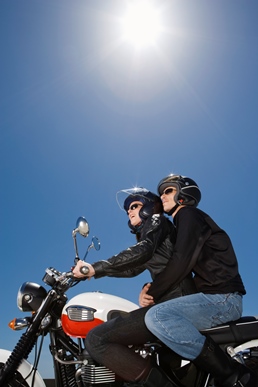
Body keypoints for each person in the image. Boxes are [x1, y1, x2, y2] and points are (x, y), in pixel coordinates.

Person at [73, 188, 196, 386]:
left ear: (149, 207)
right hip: (170, 301)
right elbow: (132, 268)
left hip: (176, 302)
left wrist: (93, 268)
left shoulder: (157, 221)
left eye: (135, 206)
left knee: (96, 338)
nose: (129, 212)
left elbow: (142, 251)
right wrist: (96, 272)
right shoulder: (152, 234)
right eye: (128, 209)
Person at [143, 174, 256, 387]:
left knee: (157, 316)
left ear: (184, 194)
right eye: (161, 193)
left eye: (168, 191)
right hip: (216, 297)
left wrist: (152, 293)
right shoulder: (185, 221)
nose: (162, 197)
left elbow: (181, 260)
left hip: (223, 298)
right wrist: (148, 286)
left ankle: (232, 374)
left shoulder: (189, 214)